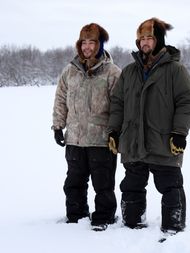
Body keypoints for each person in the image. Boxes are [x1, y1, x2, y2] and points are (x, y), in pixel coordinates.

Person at [107, 18, 190, 235]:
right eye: (141, 39)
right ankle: (132, 225)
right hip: (134, 141)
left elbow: (187, 101)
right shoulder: (129, 72)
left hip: (163, 140)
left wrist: (179, 133)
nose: (145, 43)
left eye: (149, 38)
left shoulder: (175, 70)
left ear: (159, 41)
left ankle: (173, 227)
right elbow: (117, 103)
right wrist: (114, 131)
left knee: (171, 186)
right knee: (131, 186)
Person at [51, 23, 121, 231]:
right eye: (84, 43)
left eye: (92, 42)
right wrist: (58, 126)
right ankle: (76, 216)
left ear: (99, 45)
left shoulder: (112, 72)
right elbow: (60, 99)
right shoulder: (69, 71)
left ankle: (104, 217)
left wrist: (116, 132)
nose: (87, 47)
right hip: (75, 138)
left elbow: (119, 106)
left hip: (101, 139)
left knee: (103, 184)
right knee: (73, 182)